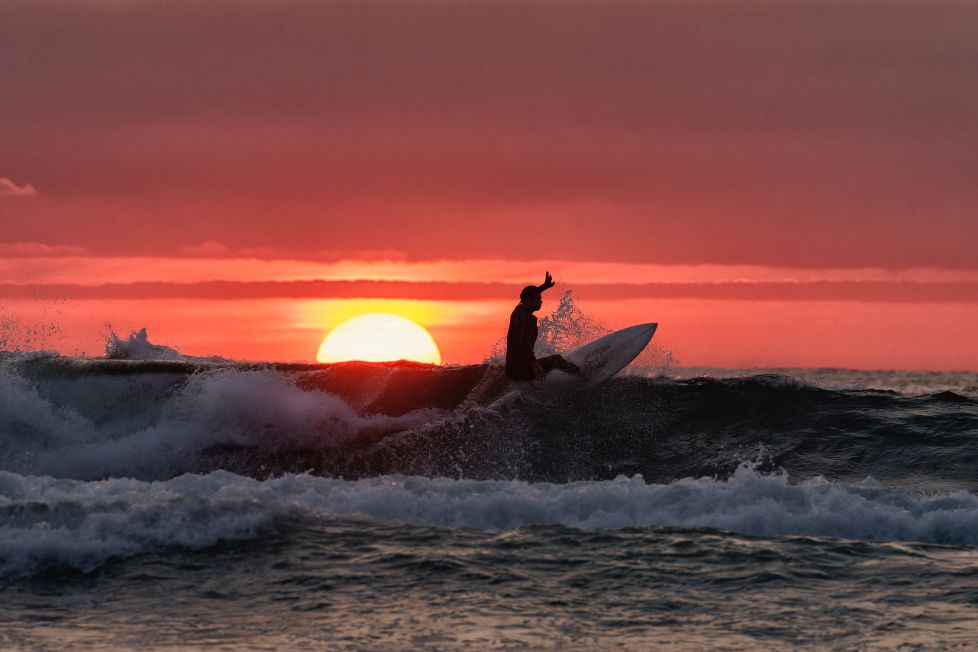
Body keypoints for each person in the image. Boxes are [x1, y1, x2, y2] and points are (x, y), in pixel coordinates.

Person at [505, 271, 581, 381]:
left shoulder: (517, 311)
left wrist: (544, 287)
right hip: (522, 370)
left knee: (552, 362)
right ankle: (584, 376)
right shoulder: (529, 319)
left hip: (511, 370)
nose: (541, 301)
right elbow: (524, 342)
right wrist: (534, 363)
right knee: (557, 360)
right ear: (528, 299)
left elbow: (526, 297)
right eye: (538, 299)